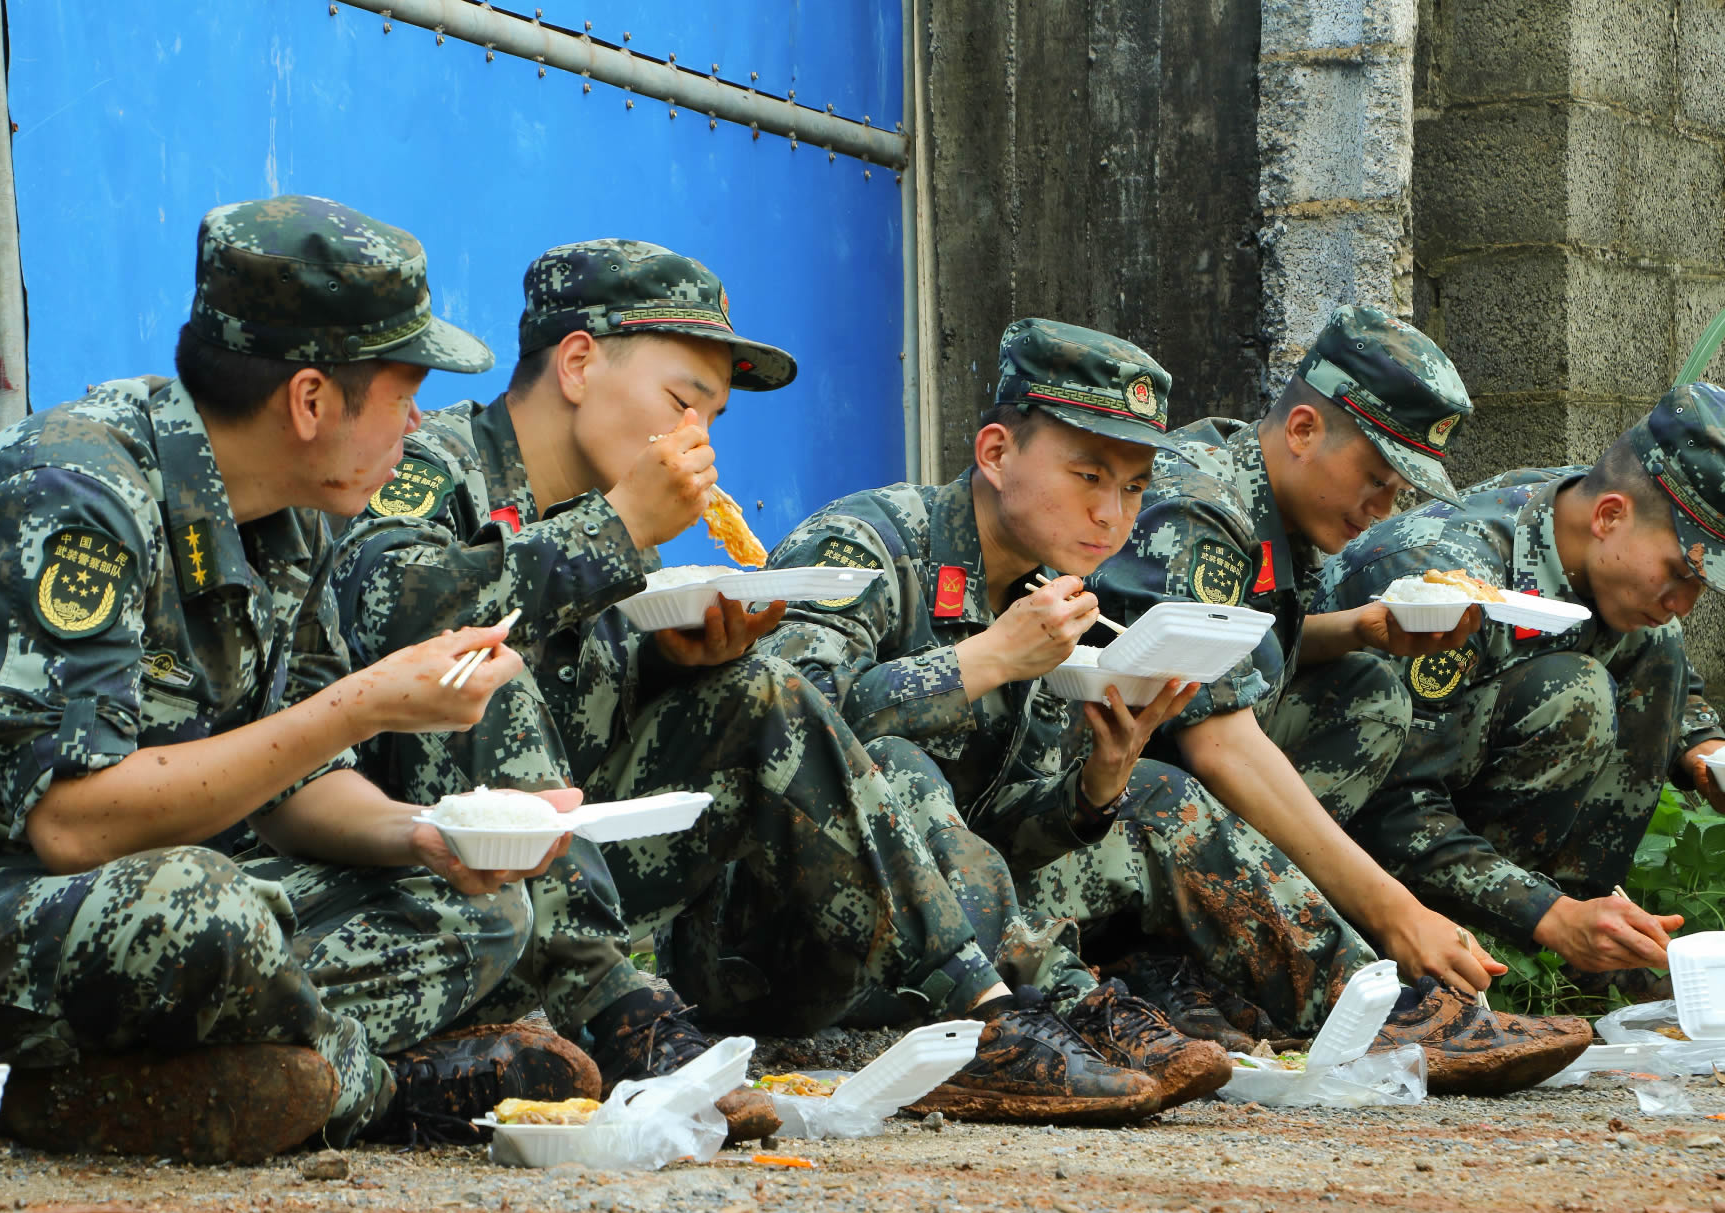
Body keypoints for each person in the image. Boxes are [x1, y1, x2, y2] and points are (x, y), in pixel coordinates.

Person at [333, 241, 1169, 1125]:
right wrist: (616, 533)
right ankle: (630, 1021)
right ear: (578, 363)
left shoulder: (613, 518)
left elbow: (598, 740)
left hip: (601, 876)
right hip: (426, 877)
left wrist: (675, 663)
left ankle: (985, 1019)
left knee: (765, 689)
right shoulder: (443, 466)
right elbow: (391, 609)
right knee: (482, 665)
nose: (698, 443)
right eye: (681, 403)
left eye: (713, 419)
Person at [0, 196, 600, 1164]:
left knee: (476, 905)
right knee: (201, 908)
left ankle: (140, 1089)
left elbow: (289, 785)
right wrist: (365, 700)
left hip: (99, 909)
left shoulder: (287, 516)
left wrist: (426, 834)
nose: (418, 425)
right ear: (310, 400)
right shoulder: (70, 493)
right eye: (403, 389)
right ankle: (362, 1087)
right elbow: (74, 822)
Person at [761, 318, 1592, 1097]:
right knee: (896, 766)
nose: (1111, 514)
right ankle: (1053, 1018)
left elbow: (1005, 833)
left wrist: (1096, 786)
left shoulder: (1054, 595)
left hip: (944, 933)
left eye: (1131, 487)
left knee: (1157, 796)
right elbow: (786, 735)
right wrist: (985, 660)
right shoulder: (869, 545)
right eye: (1087, 477)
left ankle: (1374, 1011)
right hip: (784, 943)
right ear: (995, 452)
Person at [1086, 305, 1507, 1036]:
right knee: (1185, 776)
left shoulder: (1278, 497)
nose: (1383, 509)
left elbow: (1240, 649)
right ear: (1304, 429)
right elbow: (1216, 739)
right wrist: (1395, 914)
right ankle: (1156, 962)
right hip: (1082, 798)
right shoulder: (1201, 511)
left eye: (1399, 493)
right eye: (1375, 479)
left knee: (1368, 693)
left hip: (1149, 767)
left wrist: (1361, 631)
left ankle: (1205, 955)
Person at [1317, 381, 1725, 985]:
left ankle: (1599, 943)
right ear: (1610, 516)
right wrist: (1546, 913)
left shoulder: (1590, 526)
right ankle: (1463, 953)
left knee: (1654, 637)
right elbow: (1389, 803)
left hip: (1446, 789)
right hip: (1338, 830)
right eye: (1680, 572)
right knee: (1573, 691)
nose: (1685, 603)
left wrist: (1706, 752)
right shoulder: (1448, 578)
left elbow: (1667, 676)